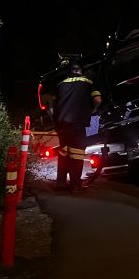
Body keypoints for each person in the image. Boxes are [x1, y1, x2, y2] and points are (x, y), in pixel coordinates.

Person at [53, 63, 102, 191]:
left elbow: (53, 103)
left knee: (64, 153)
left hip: (62, 123)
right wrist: (92, 111)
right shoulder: (88, 83)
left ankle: (61, 183)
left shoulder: (61, 84)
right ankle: (75, 184)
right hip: (78, 122)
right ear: (81, 72)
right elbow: (97, 100)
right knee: (77, 154)